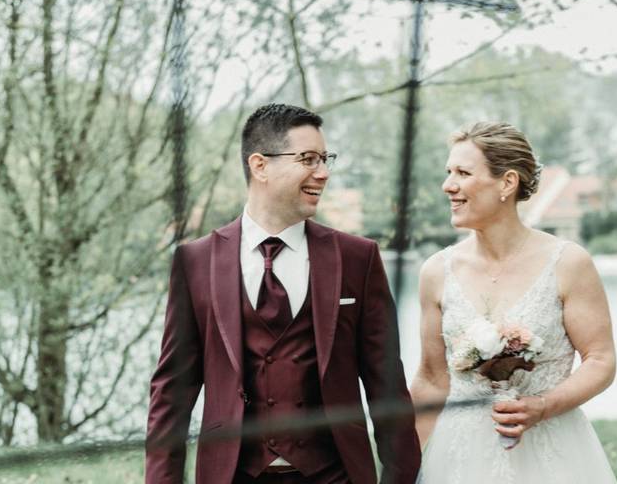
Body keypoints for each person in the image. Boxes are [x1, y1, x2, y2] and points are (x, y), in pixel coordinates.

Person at [146, 103, 421, 484]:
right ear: (260, 166)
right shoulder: (195, 262)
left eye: (326, 159)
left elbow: (386, 384)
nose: (323, 173)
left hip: (336, 475)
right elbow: (171, 395)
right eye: (308, 159)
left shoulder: (358, 258)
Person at [411, 121, 617, 483]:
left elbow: (601, 361)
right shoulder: (436, 272)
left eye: (462, 173)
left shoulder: (568, 263)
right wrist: (402, 462)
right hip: (461, 456)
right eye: (448, 173)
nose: (448, 185)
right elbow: (431, 379)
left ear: (507, 182)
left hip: (553, 452)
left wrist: (542, 407)